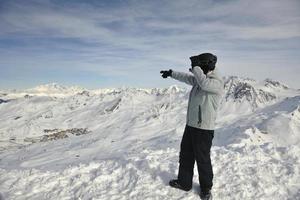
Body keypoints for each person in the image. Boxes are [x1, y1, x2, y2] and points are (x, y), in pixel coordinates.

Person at [160, 53, 224, 200]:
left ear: (206, 65)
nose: (197, 68)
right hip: (191, 125)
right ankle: (184, 182)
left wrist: (195, 67)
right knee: (186, 155)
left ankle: (206, 189)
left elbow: (203, 84)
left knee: (203, 159)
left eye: (200, 65)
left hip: (204, 129)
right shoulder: (201, 79)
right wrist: (171, 74)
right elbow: (188, 78)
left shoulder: (216, 82)